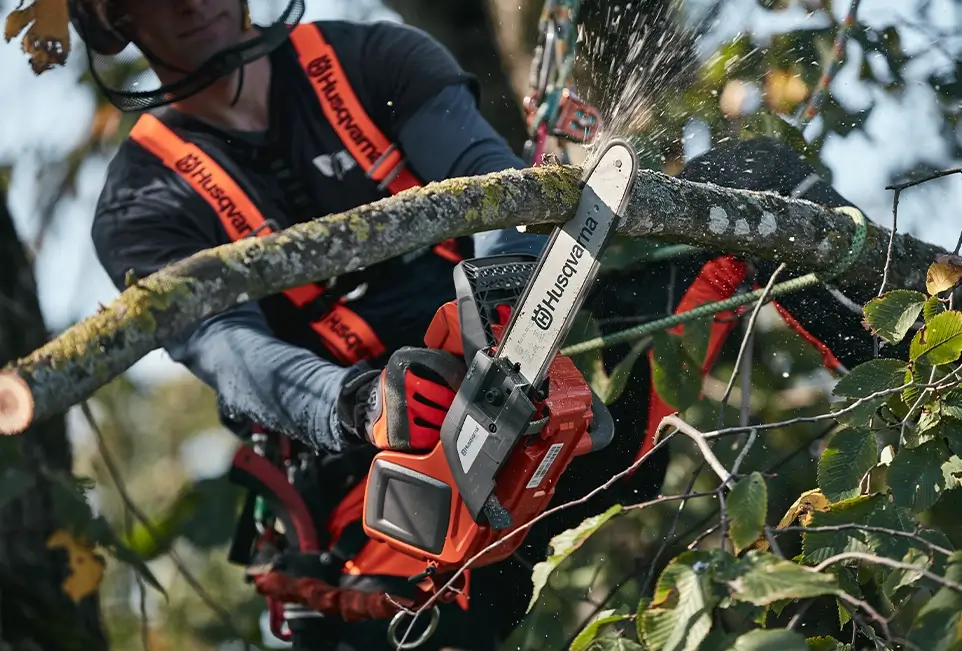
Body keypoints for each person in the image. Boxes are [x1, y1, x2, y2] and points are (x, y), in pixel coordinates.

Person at [60, 0, 883, 649]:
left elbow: (487, 180)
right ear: (115, 17)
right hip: (393, 521)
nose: (193, 0)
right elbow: (229, 349)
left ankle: (924, 374)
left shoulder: (372, 58)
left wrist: (510, 295)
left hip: (555, 408)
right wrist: (355, 402)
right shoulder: (142, 205)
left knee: (758, 182)